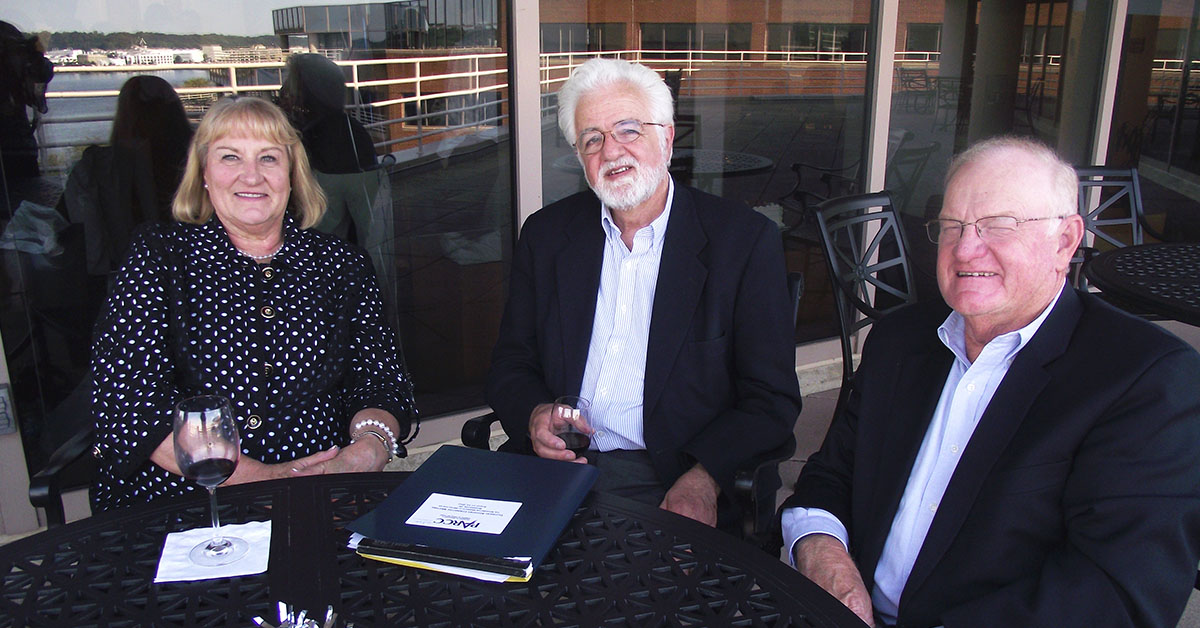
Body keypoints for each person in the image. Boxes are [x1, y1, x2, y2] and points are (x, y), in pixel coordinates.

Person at [781, 136, 1200, 627]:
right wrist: (823, 556)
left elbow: (1115, 595)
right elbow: (830, 476)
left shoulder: (1146, 380)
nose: (965, 248)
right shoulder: (900, 340)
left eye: (999, 226)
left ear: (1065, 241)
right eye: (952, 226)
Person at [486, 58, 801, 529]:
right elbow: (512, 362)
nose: (611, 151)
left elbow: (770, 400)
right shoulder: (547, 237)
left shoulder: (742, 242)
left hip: (671, 472)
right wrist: (534, 414)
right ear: (580, 158)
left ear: (667, 138)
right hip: (555, 465)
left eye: (628, 130)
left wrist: (706, 475)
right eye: (592, 139)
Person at [90, 96, 413, 512]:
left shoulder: (341, 264)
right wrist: (260, 479)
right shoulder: (160, 255)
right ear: (204, 174)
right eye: (230, 157)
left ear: (292, 174)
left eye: (268, 158)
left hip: (324, 496)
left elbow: (381, 378)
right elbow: (127, 397)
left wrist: (367, 450)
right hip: (183, 503)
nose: (251, 175)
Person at [59, 75, 193, 278]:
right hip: (194, 267)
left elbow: (67, 222)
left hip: (128, 272)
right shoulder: (200, 161)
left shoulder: (98, 168)